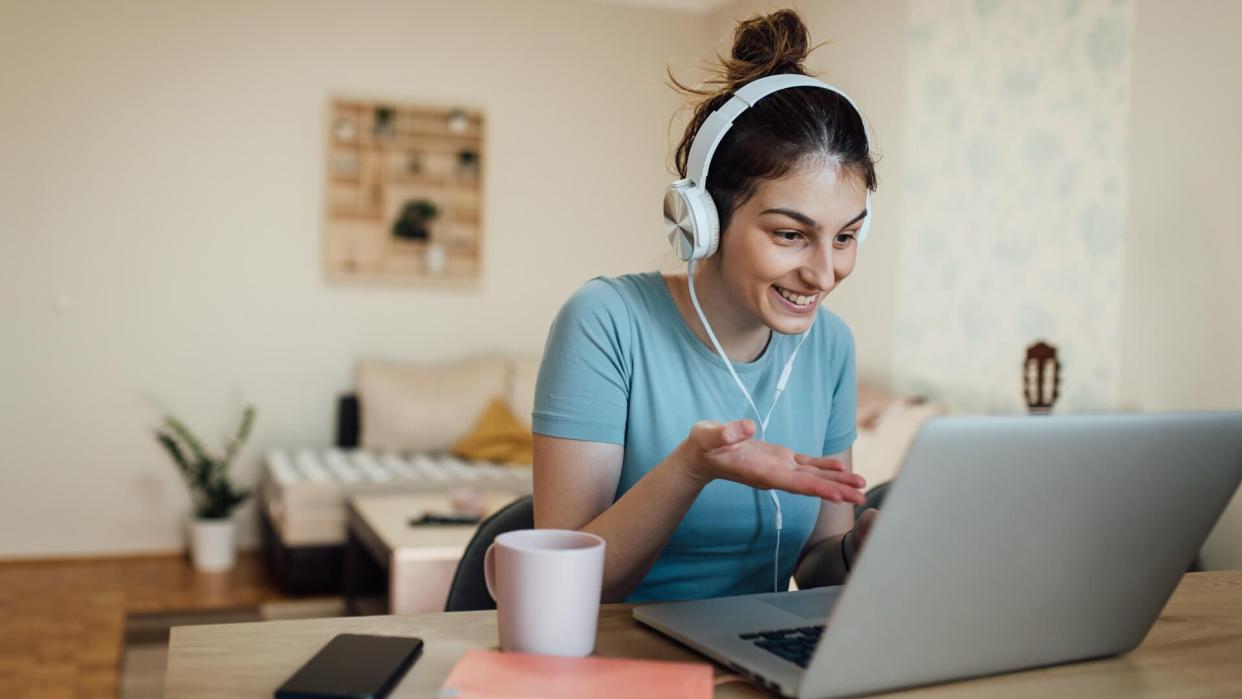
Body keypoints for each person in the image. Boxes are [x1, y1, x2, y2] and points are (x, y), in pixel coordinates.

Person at [531, 8, 879, 604]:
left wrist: (857, 550)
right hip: (618, 666)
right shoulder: (606, 322)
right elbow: (563, 590)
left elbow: (815, 568)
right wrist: (692, 467)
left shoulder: (830, 345)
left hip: (757, 661)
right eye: (791, 234)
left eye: (845, 236)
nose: (825, 273)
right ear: (704, 223)